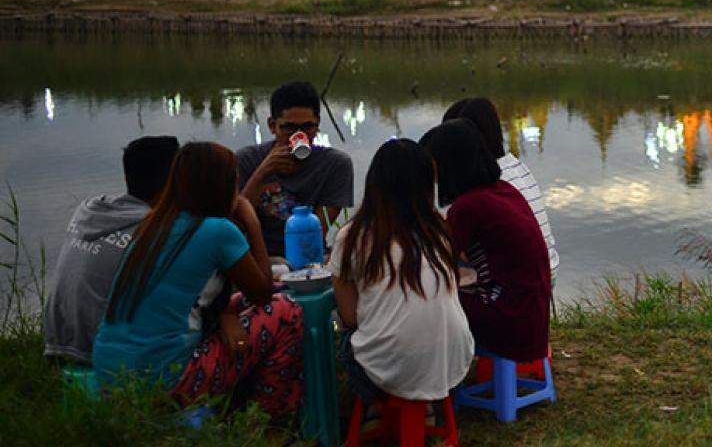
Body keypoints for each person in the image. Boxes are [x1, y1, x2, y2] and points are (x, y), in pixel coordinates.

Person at [93, 142, 302, 419]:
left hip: (111, 376)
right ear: (224, 186)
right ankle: (266, 421)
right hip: (167, 380)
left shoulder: (152, 226)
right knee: (287, 311)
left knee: (241, 303)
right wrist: (251, 221)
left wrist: (227, 313)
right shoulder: (218, 231)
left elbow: (188, 297)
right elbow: (262, 293)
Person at [328, 139, 473, 407]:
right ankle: (425, 407)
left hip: (388, 373)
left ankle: (374, 407)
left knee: (347, 341)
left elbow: (350, 317)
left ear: (374, 184)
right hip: (453, 369)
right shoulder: (440, 232)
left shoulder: (352, 237)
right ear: (428, 187)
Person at [421, 120, 551, 365]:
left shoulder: (468, 206)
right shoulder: (504, 190)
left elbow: (435, 261)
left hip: (510, 322)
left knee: (426, 305)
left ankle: (434, 383)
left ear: (450, 166)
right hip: (532, 318)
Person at [45, 136, 178, 366]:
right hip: (103, 356)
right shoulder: (156, 230)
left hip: (56, 347)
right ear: (172, 181)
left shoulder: (88, 211)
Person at [442, 97, 559, 286]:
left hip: (524, 282)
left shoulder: (486, 182)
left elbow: (450, 246)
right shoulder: (516, 165)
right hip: (548, 271)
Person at [236, 80, 354, 260]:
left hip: (308, 254)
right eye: (289, 128)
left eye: (308, 127)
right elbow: (236, 227)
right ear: (272, 125)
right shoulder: (247, 160)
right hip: (258, 257)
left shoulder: (335, 165)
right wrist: (262, 173)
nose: (299, 136)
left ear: (318, 124)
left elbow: (315, 233)